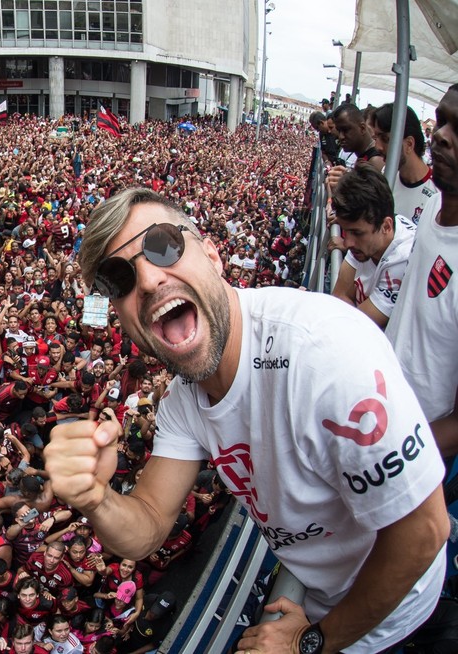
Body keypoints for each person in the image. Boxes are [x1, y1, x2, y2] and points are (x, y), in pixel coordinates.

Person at [46, 187, 448, 653]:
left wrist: (313, 643)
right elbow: (149, 524)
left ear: (213, 255)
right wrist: (96, 498)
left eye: (162, 245)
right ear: (120, 315)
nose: (151, 280)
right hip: (322, 597)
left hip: (393, 619)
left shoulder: (324, 352)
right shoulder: (183, 401)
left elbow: (423, 531)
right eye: (120, 279)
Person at [386, 84, 458, 457]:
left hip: (416, 454)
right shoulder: (431, 210)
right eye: (442, 121)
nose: (442, 136)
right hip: (386, 411)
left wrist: (397, 455)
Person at [329, 166, 416, 328]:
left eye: (356, 233)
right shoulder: (368, 237)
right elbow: (339, 297)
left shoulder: (403, 259)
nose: (347, 243)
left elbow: (350, 328)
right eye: (345, 231)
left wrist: (349, 307)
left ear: (386, 226)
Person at [368, 103, 438, 225]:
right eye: (376, 138)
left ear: (409, 144)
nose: (377, 147)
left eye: (385, 139)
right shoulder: (386, 176)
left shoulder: (437, 193)